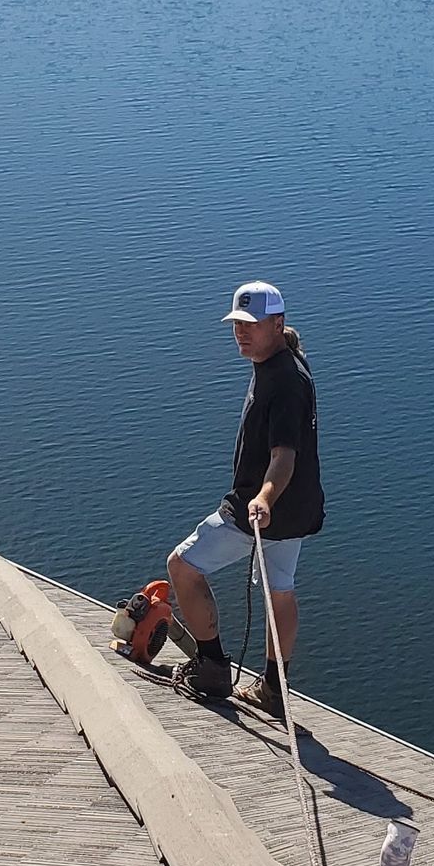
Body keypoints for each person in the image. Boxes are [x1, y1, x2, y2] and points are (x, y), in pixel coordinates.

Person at [168, 280, 324, 723]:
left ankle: (213, 667)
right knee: (281, 590)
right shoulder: (285, 363)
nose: (241, 333)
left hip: (262, 509)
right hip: (296, 511)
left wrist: (263, 497)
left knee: (183, 566)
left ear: (277, 323)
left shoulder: (283, 381)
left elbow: (283, 455)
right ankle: (275, 689)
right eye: (237, 324)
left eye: (251, 325)